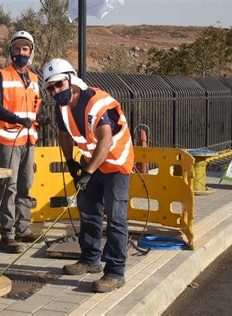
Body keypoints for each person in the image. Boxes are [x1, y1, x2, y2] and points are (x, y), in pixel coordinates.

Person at [42, 58, 134, 293]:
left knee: (116, 219)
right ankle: (90, 259)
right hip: (91, 162)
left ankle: (115, 272)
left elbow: (105, 140)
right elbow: (64, 134)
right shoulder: (61, 107)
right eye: (50, 88)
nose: (55, 91)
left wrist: (88, 172)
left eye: (58, 85)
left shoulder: (96, 102)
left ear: (71, 80)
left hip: (116, 164)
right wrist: (71, 161)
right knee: (89, 211)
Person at [0, 30, 44, 253]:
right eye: (17, 49)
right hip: (8, 140)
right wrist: (16, 119)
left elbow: (32, 109)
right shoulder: (2, 75)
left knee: (25, 185)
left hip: (29, 140)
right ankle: (7, 235)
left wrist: (39, 119)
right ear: (11, 51)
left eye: (25, 49)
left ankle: (23, 228)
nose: (21, 53)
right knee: (8, 187)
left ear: (30, 52)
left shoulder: (34, 79)